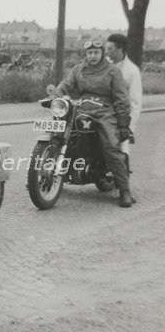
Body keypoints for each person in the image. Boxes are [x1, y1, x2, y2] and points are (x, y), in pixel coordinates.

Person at [56, 39, 133, 207]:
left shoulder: (112, 71)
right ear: (86, 54)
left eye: (96, 52)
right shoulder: (78, 69)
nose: (92, 56)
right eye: (89, 53)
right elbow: (65, 85)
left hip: (104, 111)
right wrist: (56, 94)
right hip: (82, 109)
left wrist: (122, 123)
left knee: (111, 146)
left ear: (102, 53)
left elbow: (121, 98)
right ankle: (48, 174)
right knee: (62, 132)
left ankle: (125, 190)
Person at [107, 33, 142, 203]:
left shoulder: (131, 71)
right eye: (106, 49)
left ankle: (124, 191)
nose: (107, 52)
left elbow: (135, 102)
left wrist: (129, 128)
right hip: (103, 114)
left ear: (120, 49)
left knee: (122, 150)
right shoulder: (104, 66)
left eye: (110, 49)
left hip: (121, 118)